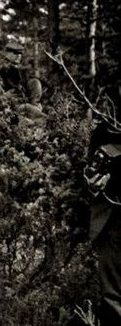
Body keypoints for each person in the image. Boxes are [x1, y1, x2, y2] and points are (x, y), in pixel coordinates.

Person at [85, 77, 121, 325]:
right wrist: (93, 184)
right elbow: (89, 173)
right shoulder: (105, 130)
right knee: (112, 299)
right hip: (113, 223)